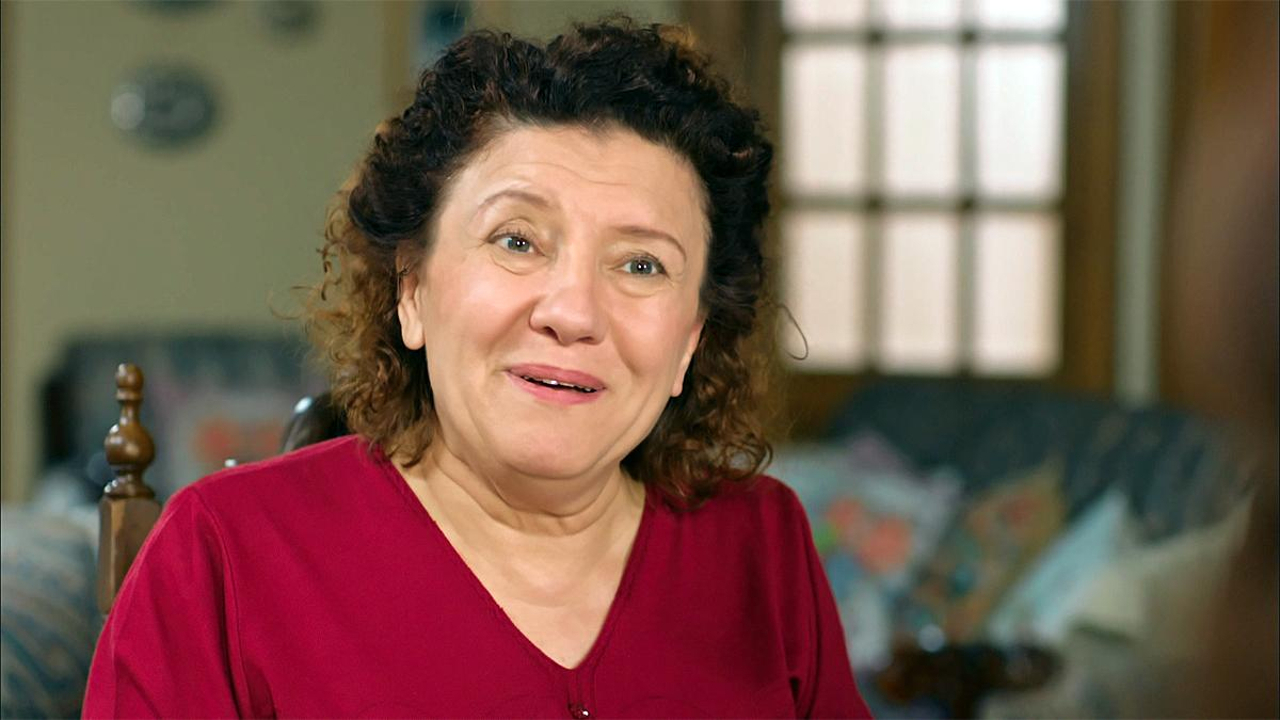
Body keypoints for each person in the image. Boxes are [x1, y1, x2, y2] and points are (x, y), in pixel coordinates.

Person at [83, 19, 871, 718]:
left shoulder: (761, 544)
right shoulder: (224, 552)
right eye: (516, 241)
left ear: (691, 339)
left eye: (641, 265)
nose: (574, 313)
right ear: (412, 290)